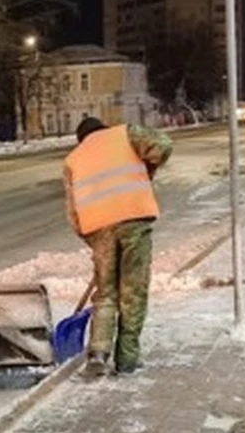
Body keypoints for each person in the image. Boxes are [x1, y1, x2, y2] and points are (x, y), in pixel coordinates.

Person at [63, 117, 172, 378]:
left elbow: (73, 211)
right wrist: (147, 171)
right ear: (103, 129)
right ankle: (127, 359)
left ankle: (98, 353)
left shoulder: (73, 159)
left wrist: (93, 240)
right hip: (134, 220)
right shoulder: (125, 134)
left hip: (98, 229)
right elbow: (163, 145)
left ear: (82, 139)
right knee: (133, 292)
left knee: (106, 293)